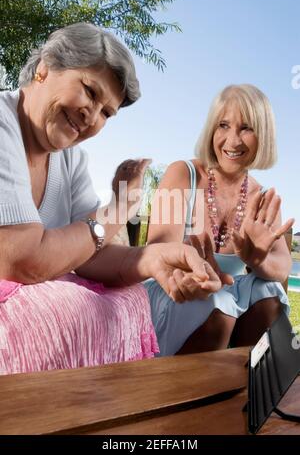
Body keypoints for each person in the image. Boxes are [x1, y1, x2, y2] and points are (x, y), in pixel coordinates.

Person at [0, 22, 221, 374]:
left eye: (106, 112)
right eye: (89, 90)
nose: (92, 115)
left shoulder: (70, 158)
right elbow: (26, 262)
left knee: (131, 297)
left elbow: (91, 254)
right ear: (45, 67)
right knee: (63, 306)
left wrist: (154, 260)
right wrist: (119, 208)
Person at [145, 84, 294, 356]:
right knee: (218, 303)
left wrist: (258, 260)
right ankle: (184, 393)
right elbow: (159, 253)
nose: (233, 141)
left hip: (223, 298)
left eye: (246, 128)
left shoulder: (261, 197)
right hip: (175, 291)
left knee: (268, 292)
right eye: (224, 125)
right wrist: (194, 265)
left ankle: (244, 388)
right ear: (212, 130)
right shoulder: (183, 173)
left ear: (264, 136)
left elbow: (283, 267)